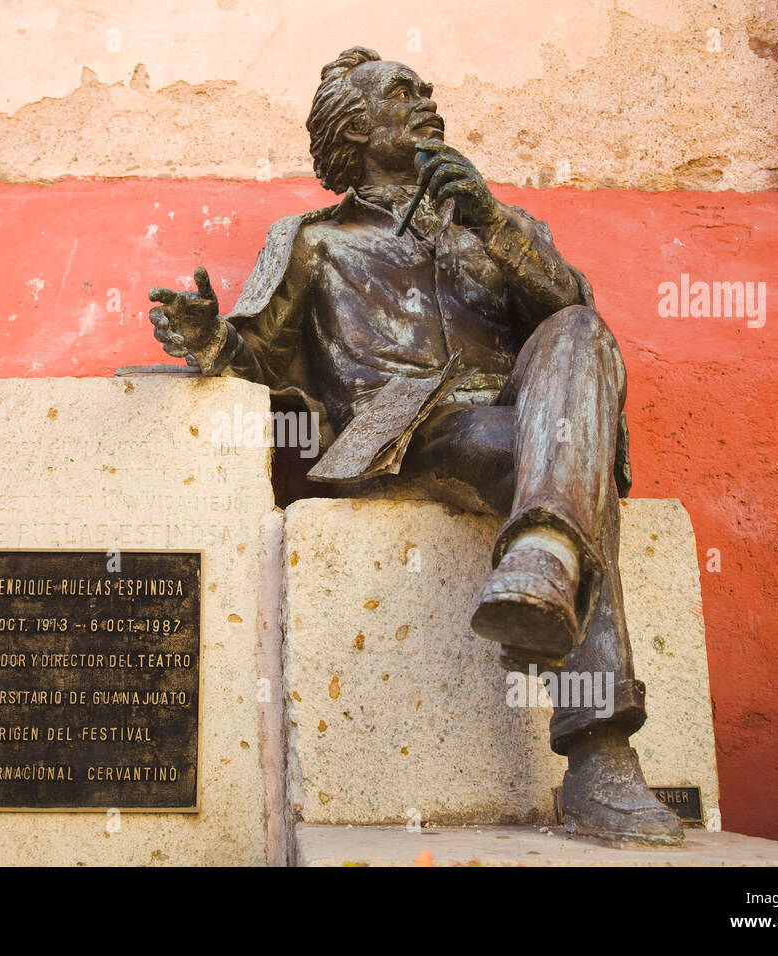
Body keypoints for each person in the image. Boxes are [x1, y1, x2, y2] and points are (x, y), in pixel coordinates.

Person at [149, 46, 682, 845]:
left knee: (576, 344)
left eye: (427, 87)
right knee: (575, 467)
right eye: (406, 91)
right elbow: (261, 351)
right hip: (408, 432)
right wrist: (211, 341)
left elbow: (575, 320)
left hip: (520, 422)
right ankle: (602, 760)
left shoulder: (500, 226)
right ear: (359, 125)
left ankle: (542, 553)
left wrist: (493, 222)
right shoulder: (313, 241)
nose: (428, 98)